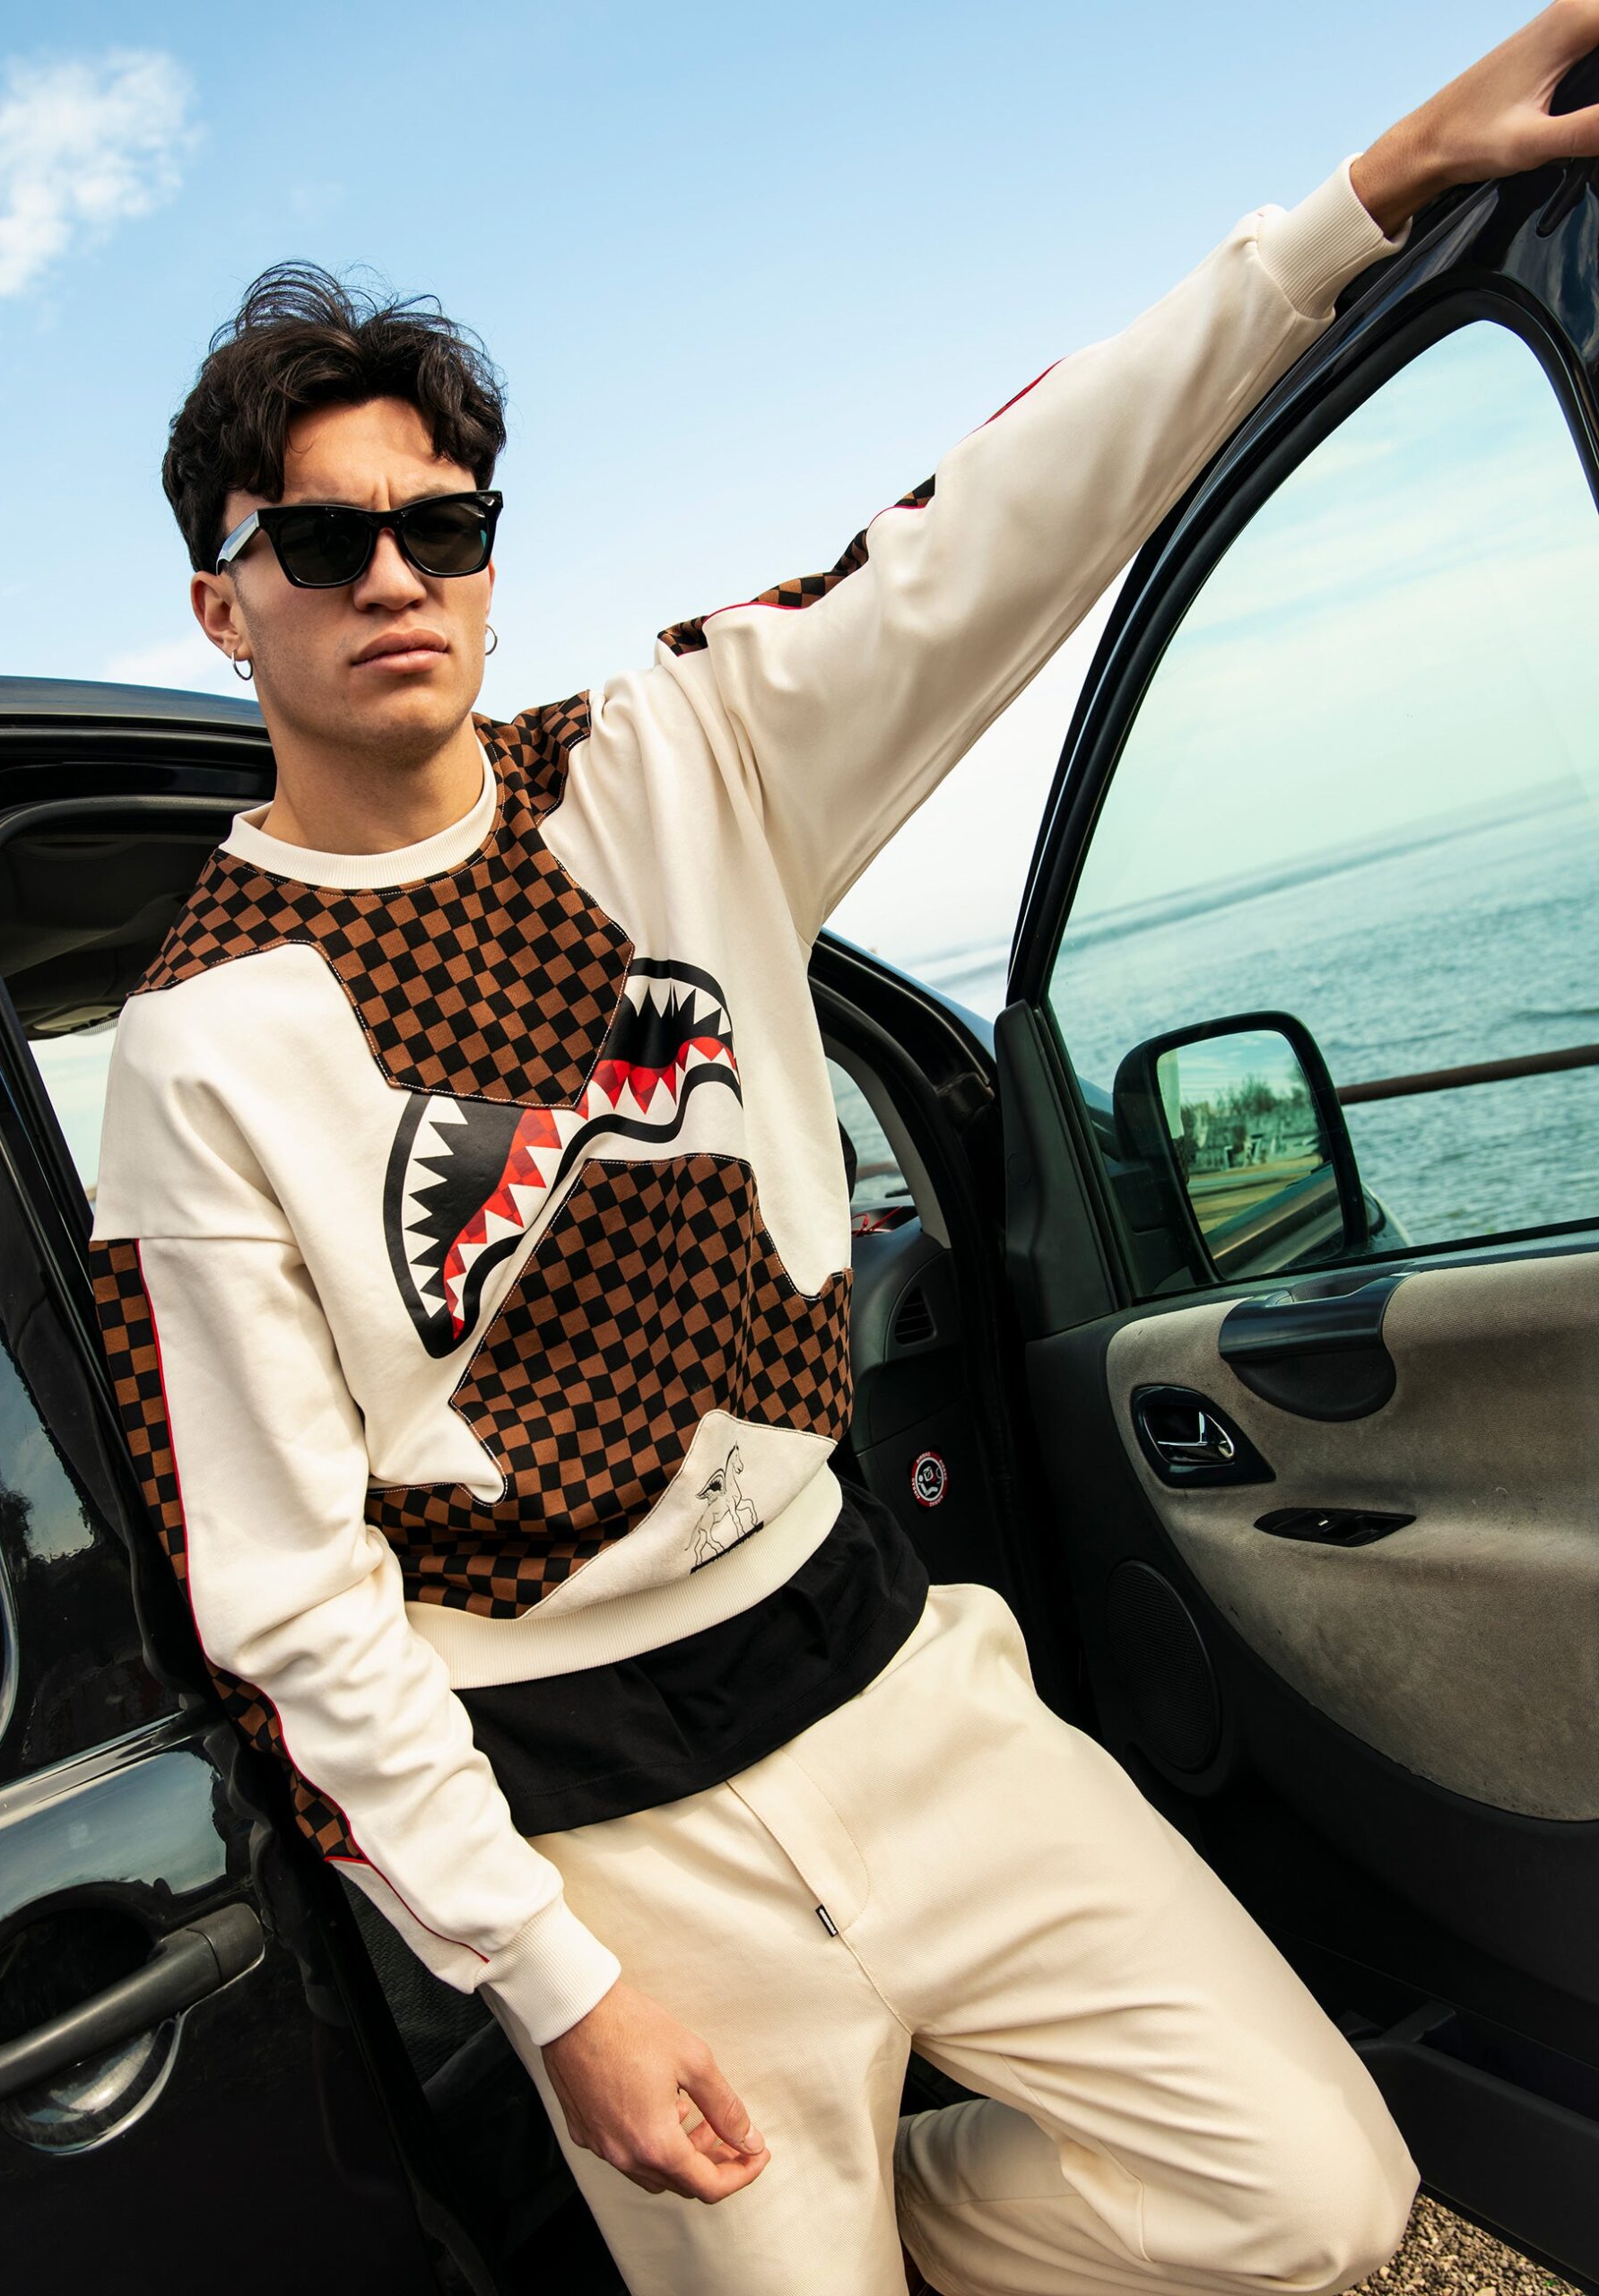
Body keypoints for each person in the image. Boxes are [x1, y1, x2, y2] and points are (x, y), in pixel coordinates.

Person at [86, 8, 1599, 2290]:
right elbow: (286, 1603)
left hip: (893, 1682)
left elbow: (994, 522)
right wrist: (554, 1983)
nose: (390, 573)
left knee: (1308, 2189)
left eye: (441, 524)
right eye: (319, 536)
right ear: (224, 600)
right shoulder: (203, 1046)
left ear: (487, 560)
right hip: (605, 1837)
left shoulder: (678, 763)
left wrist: (1355, 210)